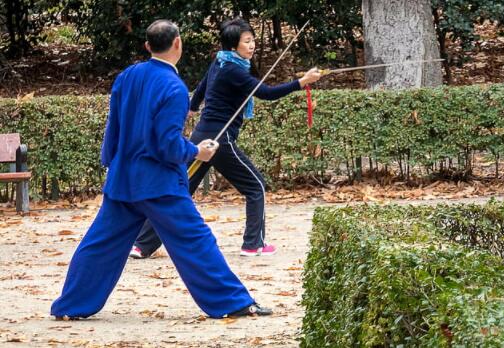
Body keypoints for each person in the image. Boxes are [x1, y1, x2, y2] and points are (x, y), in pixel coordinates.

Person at [51, 19, 271, 320]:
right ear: (178, 43)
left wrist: (111, 164)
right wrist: (198, 152)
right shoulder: (173, 87)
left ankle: (69, 306)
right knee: (195, 240)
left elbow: (113, 128)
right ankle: (233, 302)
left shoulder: (128, 76)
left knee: (100, 244)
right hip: (159, 183)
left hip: (123, 178)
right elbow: (167, 145)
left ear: (147, 46)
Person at [130, 17, 321, 259]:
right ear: (233, 46)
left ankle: (141, 245)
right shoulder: (233, 70)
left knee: (179, 189)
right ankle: (254, 244)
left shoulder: (221, 62)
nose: (251, 46)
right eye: (247, 42)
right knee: (256, 186)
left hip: (202, 137)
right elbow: (266, 93)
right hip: (220, 141)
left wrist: (192, 106)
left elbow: (201, 86)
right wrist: (302, 82)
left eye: (252, 41)